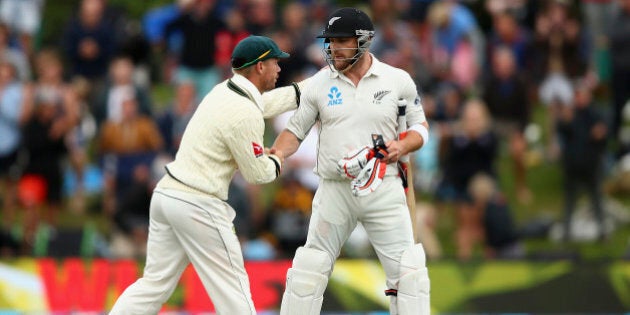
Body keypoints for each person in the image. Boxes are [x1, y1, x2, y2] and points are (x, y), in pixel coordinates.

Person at [109, 35, 307, 314]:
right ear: (260, 67)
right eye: (275, 62)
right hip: (198, 204)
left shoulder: (223, 90)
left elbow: (265, 104)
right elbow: (257, 175)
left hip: (167, 194)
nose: (279, 69)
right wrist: (279, 154)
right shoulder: (244, 111)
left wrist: (306, 90)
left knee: (153, 285)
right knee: (234, 291)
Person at [272, 8, 430, 315]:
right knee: (309, 267)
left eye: (341, 41)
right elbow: (294, 131)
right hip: (335, 189)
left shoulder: (397, 80)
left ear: (364, 41)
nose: (333, 48)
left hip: (383, 186)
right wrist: (275, 154)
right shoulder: (318, 83)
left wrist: (401, 145)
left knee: (408, 273)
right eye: (330, 41)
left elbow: (420, 128)